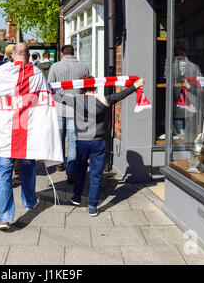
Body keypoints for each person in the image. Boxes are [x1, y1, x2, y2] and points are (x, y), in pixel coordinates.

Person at [0, 43, 63, 231]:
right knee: (27, 167)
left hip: (4, 132)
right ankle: (30, 200)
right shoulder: (36, 74)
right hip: (27, 130)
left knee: (3, 172)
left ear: (12, 56)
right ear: (27, 56)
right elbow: (45, 97)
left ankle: (4, 217)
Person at [56, 75, 145, 217]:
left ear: (81, 87)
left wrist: (46, 88)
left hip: (82, 141)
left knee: (80, 169)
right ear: (95, 86)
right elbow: (121, 95)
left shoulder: (74, 100)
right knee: (96, 174)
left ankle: (77, 197)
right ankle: (92, 205)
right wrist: (135, 86)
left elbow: (57, 97)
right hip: (98, 141)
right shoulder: (104, 100)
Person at [48, 45, 90, 183]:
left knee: (59, 137)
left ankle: (60, 163)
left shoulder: (55, 67)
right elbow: (87, 87)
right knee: (73, 141)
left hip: (59, 106)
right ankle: (71, 172)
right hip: (76, 106)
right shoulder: (83, 67)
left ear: (62, 54)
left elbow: (49, 87)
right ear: (73, 53)